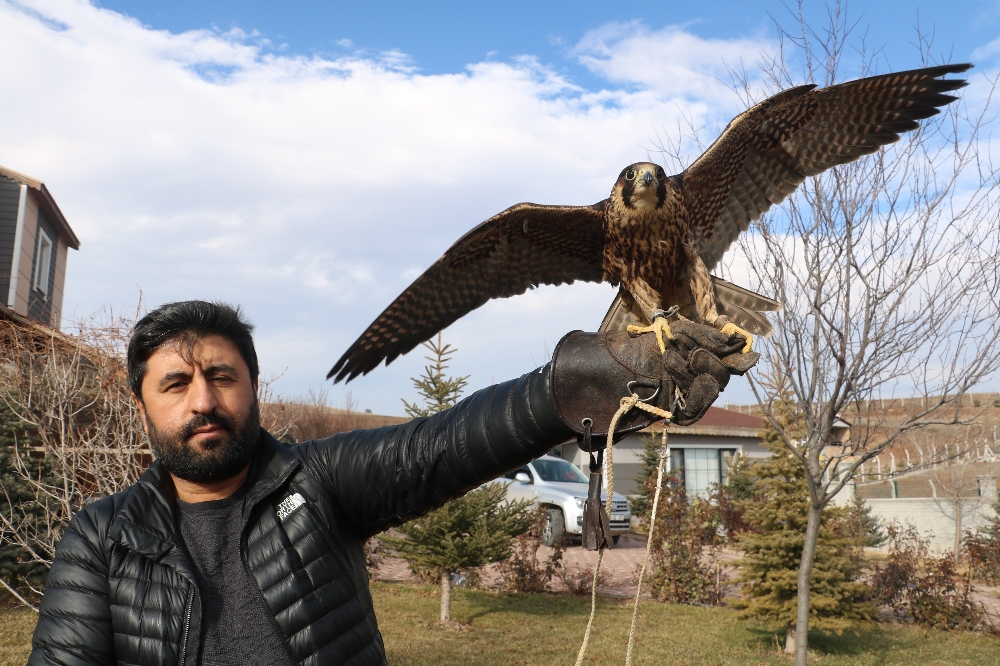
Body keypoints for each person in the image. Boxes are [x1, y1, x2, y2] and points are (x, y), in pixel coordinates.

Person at [27, 300, 755, 666]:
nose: (203, 401)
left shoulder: (313, 486)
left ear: (253, 387)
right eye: (175, 383)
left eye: (221, 376)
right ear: (143, 404)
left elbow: (441, 446)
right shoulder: (102, 537)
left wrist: (577, 386)